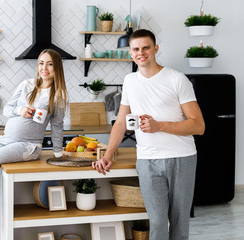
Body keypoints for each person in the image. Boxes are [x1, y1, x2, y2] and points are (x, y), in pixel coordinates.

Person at [92, 29, 205, 240]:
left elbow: (198, 126)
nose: (140, 52)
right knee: (158, 222)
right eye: (135, 49)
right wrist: (107, 155)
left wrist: (158, 126)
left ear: (155, 49)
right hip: (147, 160)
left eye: (145, 47)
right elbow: (120, 123)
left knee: (180, 222)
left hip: (181, 157)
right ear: (130, 53)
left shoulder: (177, 79)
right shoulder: (130, 81)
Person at [0, 49, 68, 235]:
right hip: (6, 139)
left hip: (28, 146)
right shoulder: (27, 84)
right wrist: (20, 110)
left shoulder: (58, 95)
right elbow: (7, 109)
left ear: (57, 67)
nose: (44, 67)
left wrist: (59, 154)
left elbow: (57, 127)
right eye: (41, 63)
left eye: (50, 64)